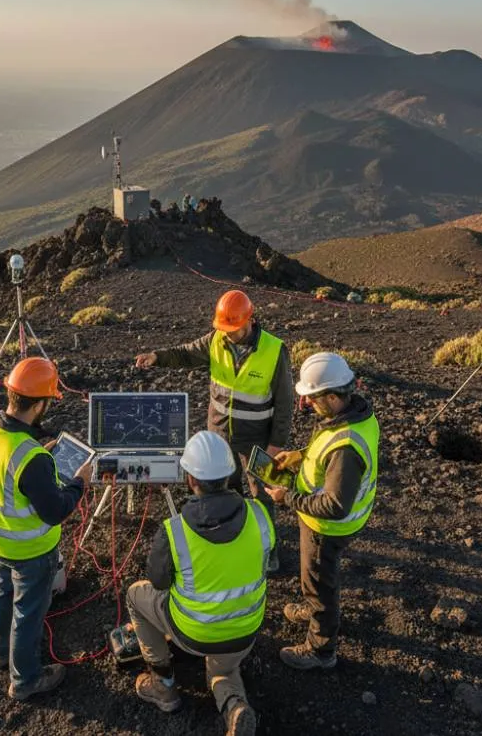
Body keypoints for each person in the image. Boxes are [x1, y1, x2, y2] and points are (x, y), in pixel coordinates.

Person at [134, 289, 293, 572]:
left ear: (249, 320)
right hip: (220, 435)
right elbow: (185, 355)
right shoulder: (215, 340)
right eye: (225, 329)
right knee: (226, 491)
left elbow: (284, 403)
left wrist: (276, 445)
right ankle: (231, 541)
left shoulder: (273, 350)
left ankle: (268, 551)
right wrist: (157, 357)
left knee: (262, 496)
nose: (228, 334)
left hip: (257, 438)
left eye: (233, 329)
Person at [125, 431, 273, 735]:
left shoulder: (175, 531)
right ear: (230, 473)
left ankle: (163, 685)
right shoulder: (260, 514)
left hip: (193, 632)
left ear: (190, 479)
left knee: (135, 596)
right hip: (246, 630)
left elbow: (158, 581)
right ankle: (234, 705)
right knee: (223, 669)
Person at [0, 357, 94, 700]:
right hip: (30, 551)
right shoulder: (32, 459)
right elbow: (55, 511)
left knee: (1, 592)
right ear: (39, 404)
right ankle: (25, 680)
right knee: (28, 612)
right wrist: (79, 483)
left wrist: (37, 452)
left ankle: (0, 653)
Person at [263, 352, 378, 670]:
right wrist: (300, 457)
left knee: (319, 584)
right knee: (314, 580)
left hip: (327, 528)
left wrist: (288, 498)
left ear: (331, 395)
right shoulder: (355, 415)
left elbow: (335, 505)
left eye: (312, 399)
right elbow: (328, 450)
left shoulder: (345, 447)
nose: (307, 406)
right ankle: (312, 608)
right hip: (329, 521)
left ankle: (321, 649)